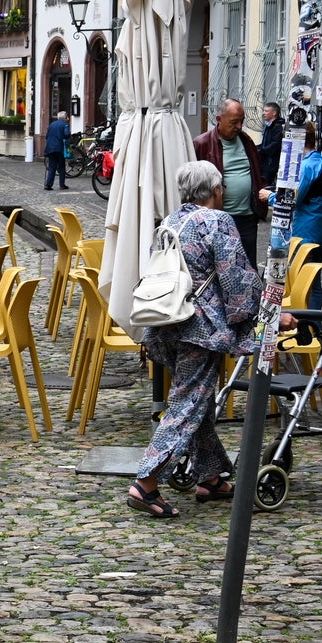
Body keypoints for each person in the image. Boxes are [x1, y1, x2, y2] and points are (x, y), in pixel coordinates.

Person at [125, 160, 265, 520]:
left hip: (166, 323)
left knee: (195, 402)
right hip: (200, 329)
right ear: (217, 191)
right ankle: (146, 482)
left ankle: (211, 478)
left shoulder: (169, 223)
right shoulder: (218, 222)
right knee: (187, 404)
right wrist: (253, 316)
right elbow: (235, 281)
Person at [192, 99, 269, 270]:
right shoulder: (202, 144)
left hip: (247, 217)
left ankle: (250, 296)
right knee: (221, 266)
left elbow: (257, 172)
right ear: (219, 119)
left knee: (248, 266)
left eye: (241, 121)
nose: (239, 126)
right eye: (234, 122)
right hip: (217, 218)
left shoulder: (246, 140)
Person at [290, 123, 322, 296]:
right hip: (319, 229)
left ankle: (312, 323)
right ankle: (315, 322)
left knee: (307, 285)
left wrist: (270, 197)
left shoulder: (307, 166)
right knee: (314, 284)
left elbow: (293, 199)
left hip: (306, 231)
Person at [257, 101, 285, 188]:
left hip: (271, 164)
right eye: (264, 111)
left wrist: (261, 151)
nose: (263, 113)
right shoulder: (269, 126)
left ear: (274, 113)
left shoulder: (278, 126)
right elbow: (266, 143)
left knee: (265, 186)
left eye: (266, 111)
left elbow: (275, 145)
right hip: (266, 162)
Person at [43, 111, 72, 190]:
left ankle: (48, 184)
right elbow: (66, 134)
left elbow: (47, 137)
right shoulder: (65, 124)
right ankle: (62, 185)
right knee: (61, 166)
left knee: (52, 166)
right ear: (65, 118)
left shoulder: (51, 124)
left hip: (50, 148)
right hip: (59, 148)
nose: (68, 119)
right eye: (67, 117)